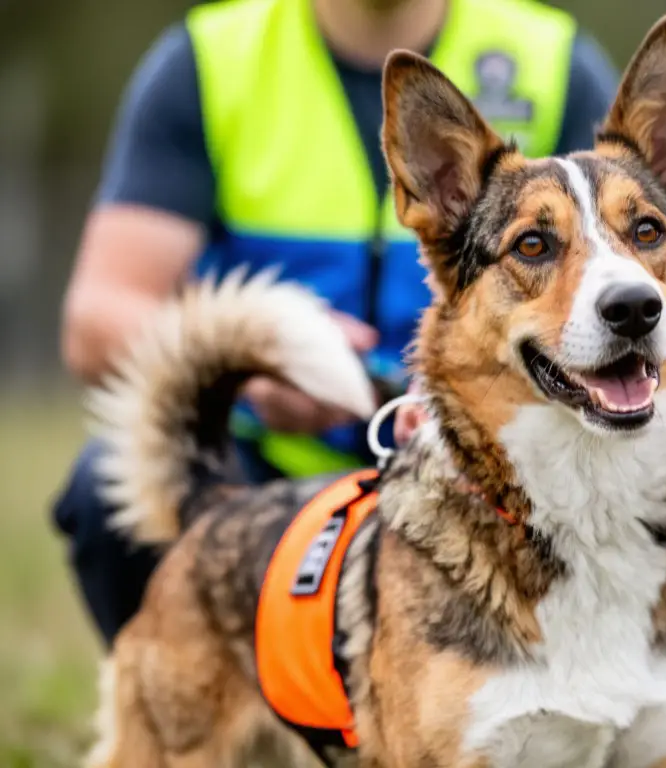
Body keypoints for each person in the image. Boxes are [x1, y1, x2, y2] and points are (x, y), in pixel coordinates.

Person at [53, 0, 619, 647]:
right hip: (258, 469)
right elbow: (98, 317)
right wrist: (257, 374)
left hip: (473, 483)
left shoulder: (555, 62)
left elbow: (620, 278)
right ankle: (180, 705)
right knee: (105, 485)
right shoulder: (209, 61)